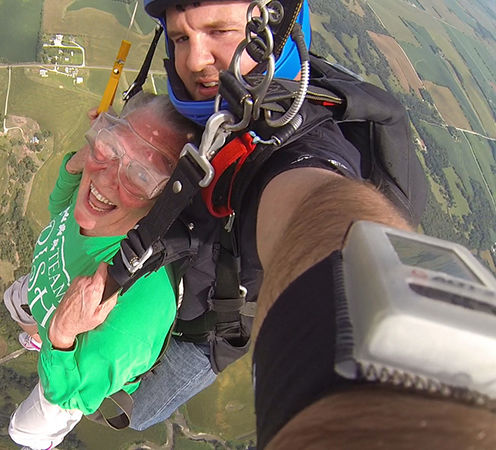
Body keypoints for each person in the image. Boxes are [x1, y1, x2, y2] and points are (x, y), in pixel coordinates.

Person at [48, 1, 496, 447]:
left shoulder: (289, 148)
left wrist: (387, 384)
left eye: (220, 30)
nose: (195, 60)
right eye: (182, 37)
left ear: (273, 27)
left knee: (141, 411)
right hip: (169, 275)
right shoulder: (204, 109)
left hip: (205, 329)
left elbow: (315, 206)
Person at [3, 92, 198, 450]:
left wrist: (61, 337)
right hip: (57, 302)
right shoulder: (95, 202)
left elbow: (71, 396)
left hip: (73, 368)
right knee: (15, 300)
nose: (107, 180)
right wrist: (85, 158)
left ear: (167, 198)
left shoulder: (131, 316)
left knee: (24, 432)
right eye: (111, 147)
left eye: (141, 175)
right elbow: (60, 207)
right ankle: (39, 334)